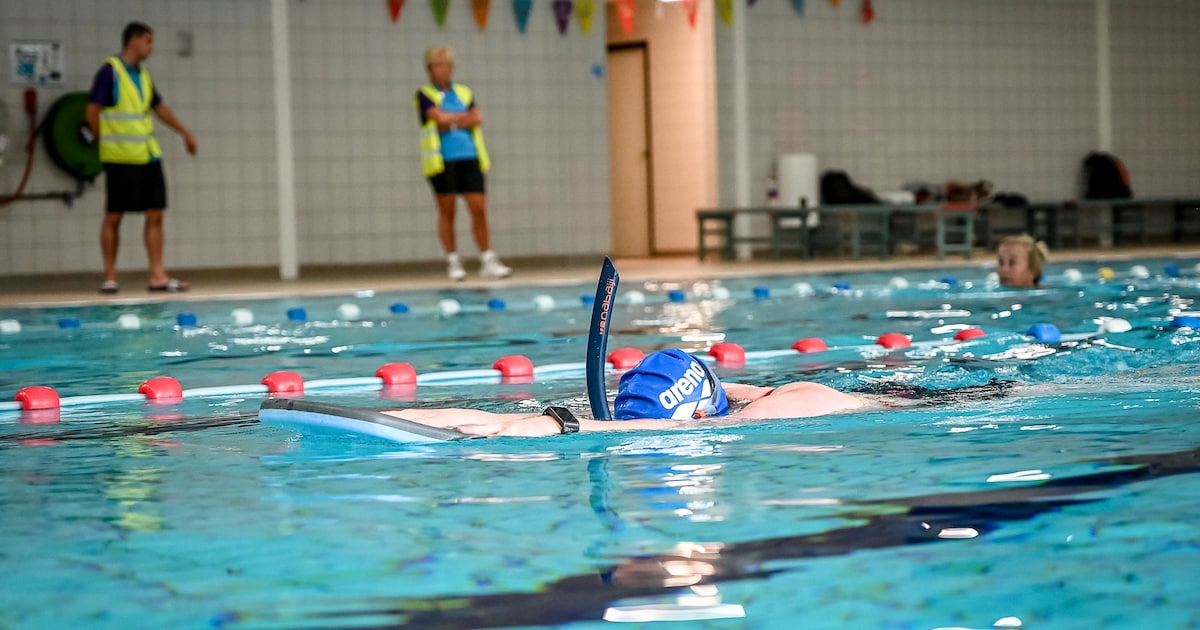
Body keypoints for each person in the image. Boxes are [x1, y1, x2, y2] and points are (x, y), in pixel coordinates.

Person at [385, 349, 901, 437]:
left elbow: (652, 427)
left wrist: (564, 425)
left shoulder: (799, 402)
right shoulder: (719, 399)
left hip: (959, 399)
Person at [86, 21, 196, 295]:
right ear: (134, 41)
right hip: (120, 157)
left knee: (156, 213)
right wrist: (103, 141)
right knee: (114, 216)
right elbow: (92, 111)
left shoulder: (143, 75)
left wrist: (184, 132)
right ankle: (110, 276)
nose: (152, 47)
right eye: (148, 41)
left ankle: (158, 275)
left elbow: (159, 108)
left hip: (148, 155)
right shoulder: (110, 72)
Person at [415, 45, 511, 282]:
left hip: (470, 157)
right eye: (438, 65)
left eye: (447, 64)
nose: (444, 70)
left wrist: (451, 121)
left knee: (478, 208)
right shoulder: (425, 94)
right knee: (448, 211)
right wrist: (461, 120)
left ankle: (487, 258)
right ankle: (453, 260)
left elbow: (477, 118)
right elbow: (437, 119)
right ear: (429, 69)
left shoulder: (464, 92)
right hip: (442, 161)